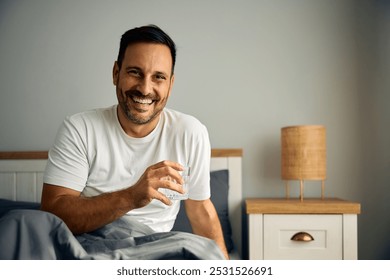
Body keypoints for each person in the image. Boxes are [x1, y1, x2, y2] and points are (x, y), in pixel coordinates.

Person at [40, 24, 228, 259]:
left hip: (155, 251)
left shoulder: (191, 133)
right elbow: (53, 214)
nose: (145, 89)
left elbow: (200, 210)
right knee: (18, 223)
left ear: (170, 84)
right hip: (86, 249)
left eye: (158, 77)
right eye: (135, 72)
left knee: (203, 253)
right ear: (116, 73)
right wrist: (131, 196)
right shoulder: (80, 128)